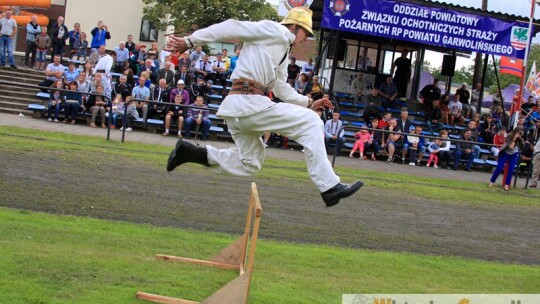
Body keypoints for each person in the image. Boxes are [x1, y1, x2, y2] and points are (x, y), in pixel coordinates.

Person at [165, 7, 363, 207]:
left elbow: (281, 88)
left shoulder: (283, 52)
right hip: (248, 103)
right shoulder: (274, 30)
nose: (306, 39)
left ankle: (191, 153)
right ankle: (330, 187)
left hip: (240, 108)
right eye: (306, 33)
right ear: (294, 27)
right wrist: (190, 41)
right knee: (312, 122)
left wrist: (310, 102)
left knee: (250, 163)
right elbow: (232, 26)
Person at [488, 127, 524, 191]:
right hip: (505, 153)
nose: (520, 134)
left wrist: (521, 140)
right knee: (499, 168)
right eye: (519, 132)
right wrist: (514, 138)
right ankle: (491, 182)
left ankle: (506, 185)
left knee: (511, 169)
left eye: (521, 133)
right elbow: (511, 147)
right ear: (516, 131)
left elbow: (522, 147)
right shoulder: (509, 135)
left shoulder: (521, 138)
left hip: (514, 154)